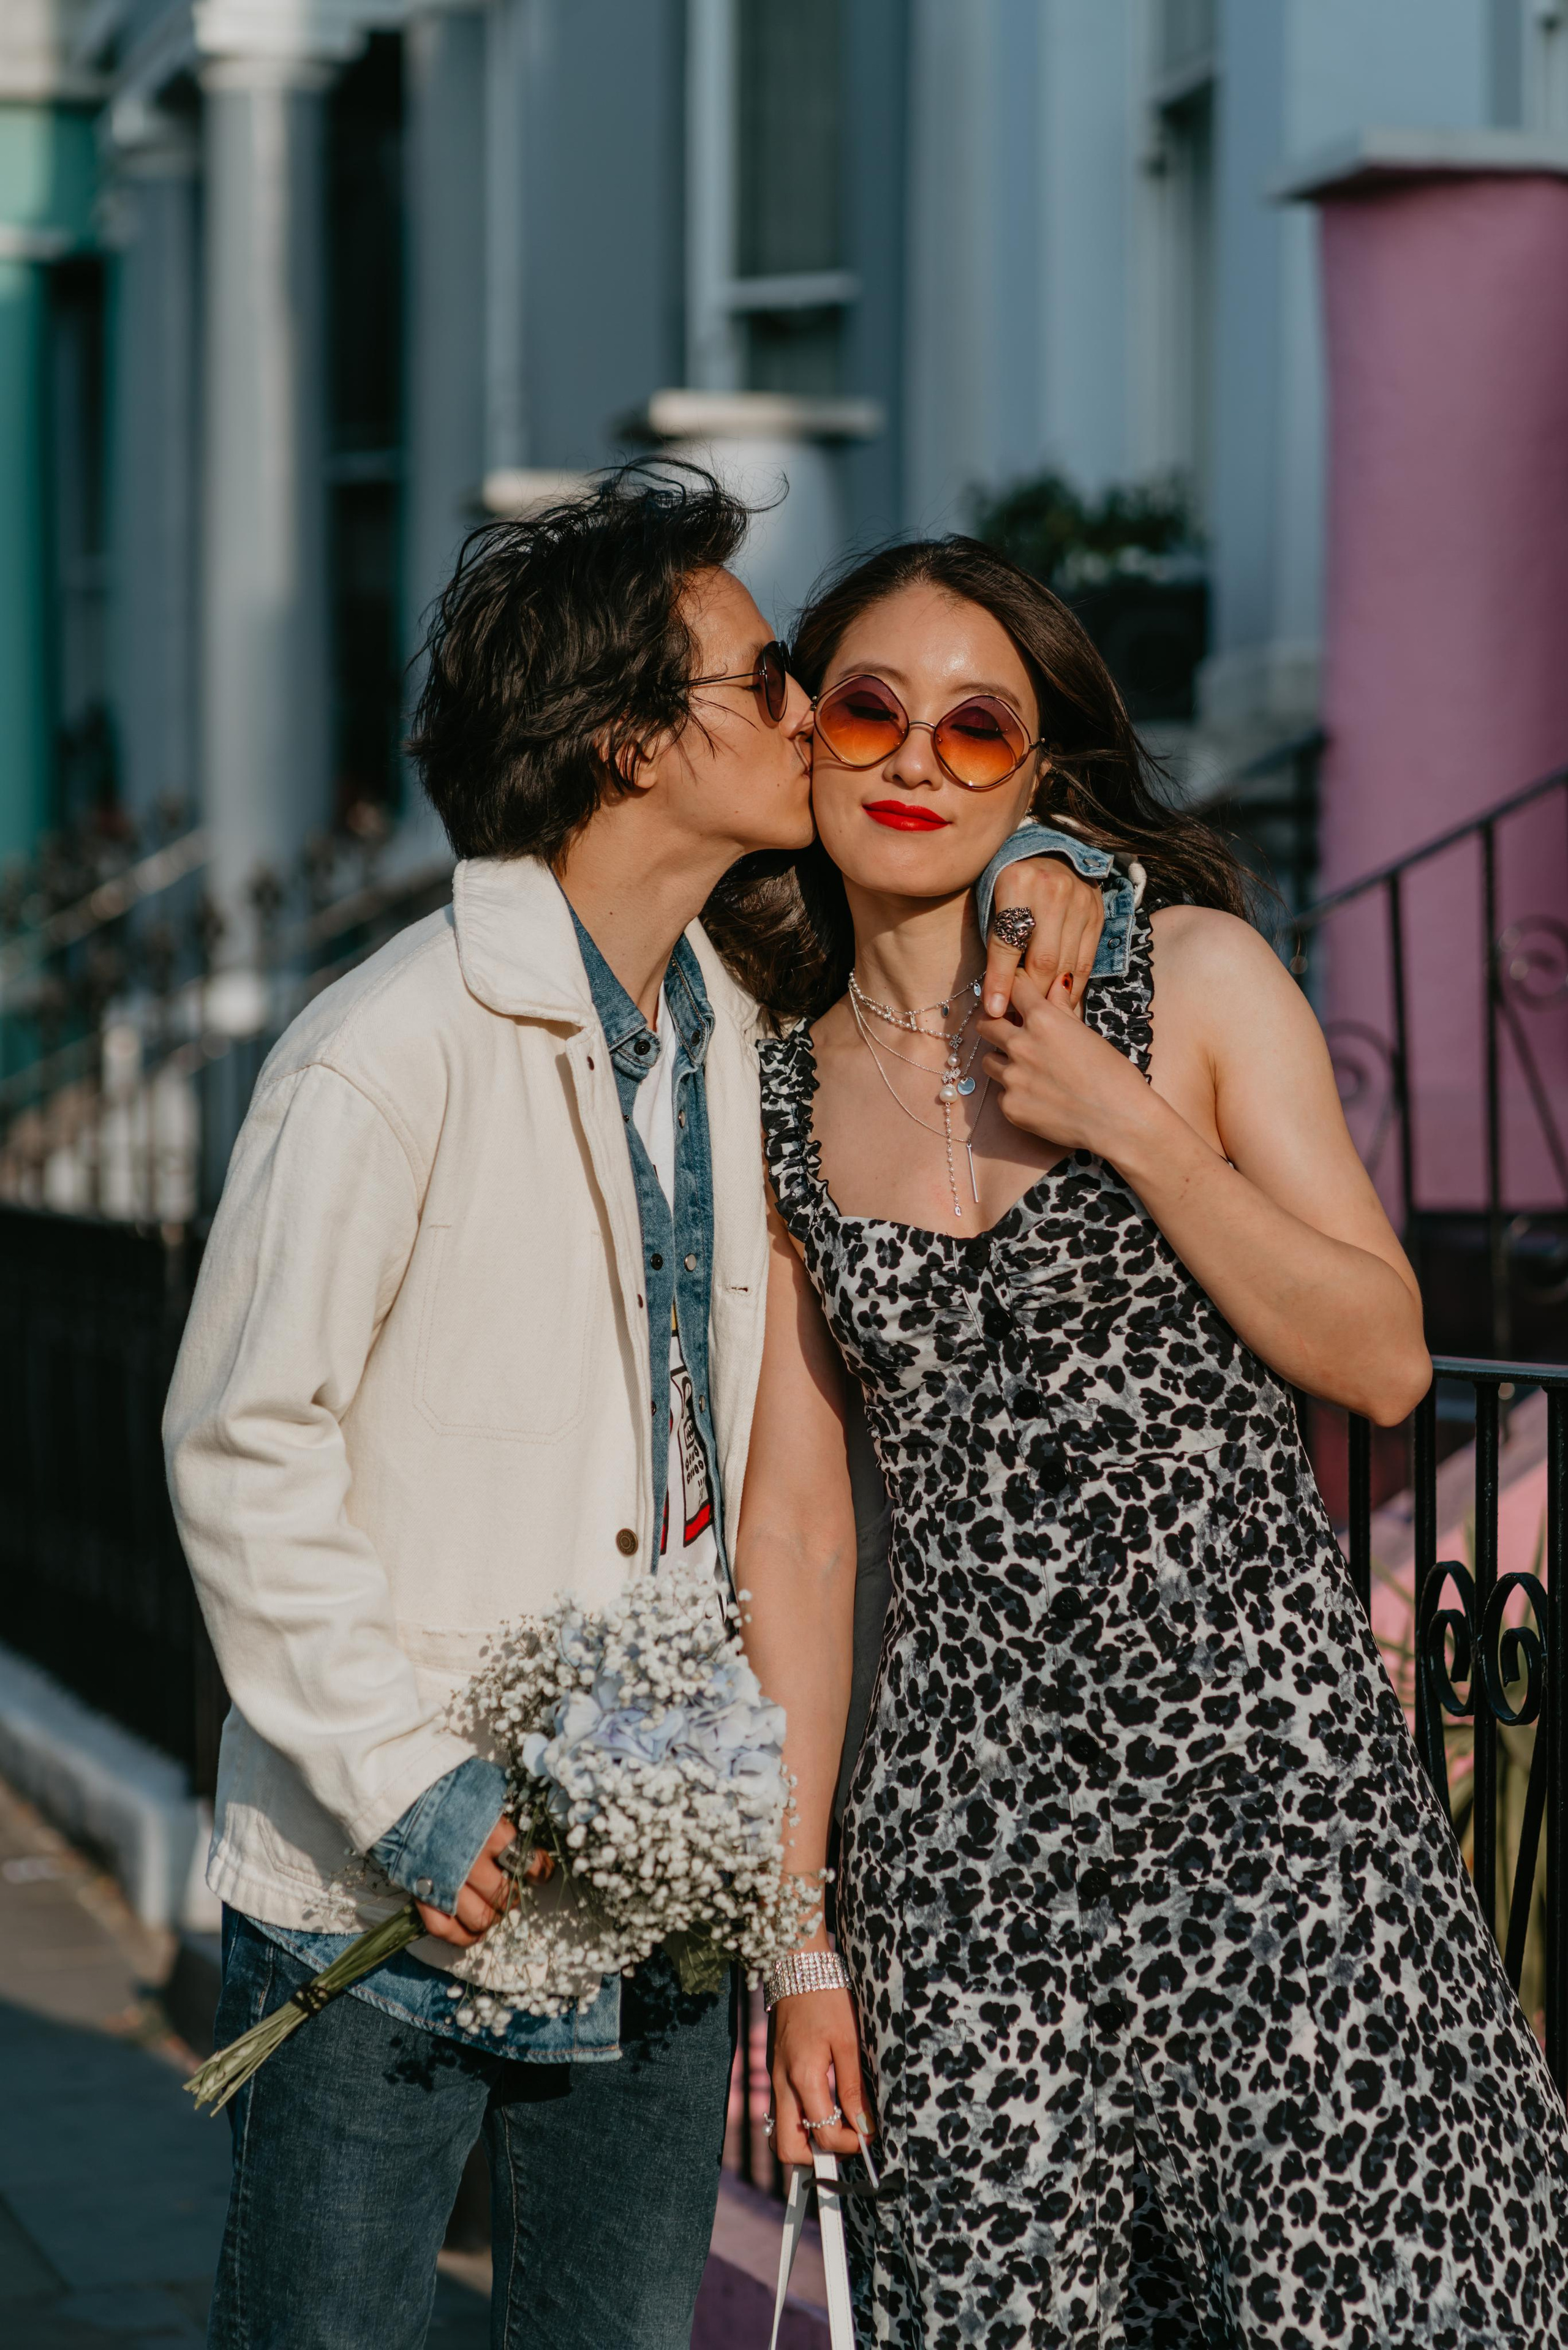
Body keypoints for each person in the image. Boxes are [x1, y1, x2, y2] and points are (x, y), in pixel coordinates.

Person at [162, 469, 1110, 2350]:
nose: (804, 713)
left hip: (657, 1901)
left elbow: (939, 886)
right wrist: (408, 1788)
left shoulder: (737, 1019)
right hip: (402, 1891)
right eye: (768, 682)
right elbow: (239, 1442)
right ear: (622, 742)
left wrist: (1060, 864)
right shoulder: (387, 1049)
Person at [736, 535, 1568, 2349]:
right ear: (805, 736)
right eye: (872, 709)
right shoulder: (775, 1092)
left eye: (977, 734)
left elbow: (1388, 1358)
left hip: (1277, 1829)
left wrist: (1129, 1125)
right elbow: (801, 1538)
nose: (911, 762)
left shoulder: (1182, 981)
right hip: (960, 1880)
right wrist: (798, 1940)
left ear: (1038, 779)